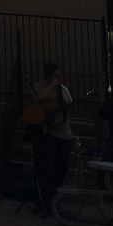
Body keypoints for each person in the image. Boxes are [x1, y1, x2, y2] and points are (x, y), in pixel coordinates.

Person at [32, 60, 74, 216]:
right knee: (46, 169)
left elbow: (68, 108)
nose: (58, 78)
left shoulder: (63, 90)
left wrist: (62, 112)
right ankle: (44, 201)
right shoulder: (39, 88)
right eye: (55, 75)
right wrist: (50, 86)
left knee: (60, 169)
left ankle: (57, 202)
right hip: (48, 134)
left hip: (63, 134)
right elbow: (37, 101)